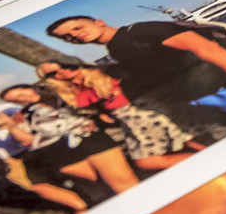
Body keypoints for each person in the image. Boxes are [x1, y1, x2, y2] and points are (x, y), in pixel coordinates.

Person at [45, 15, 226, 123]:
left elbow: (206, 48)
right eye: (67, 37)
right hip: (211, 93)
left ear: (99, 22)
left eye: (77, 28)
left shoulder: (141, 31)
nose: (74, 36)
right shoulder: (116, 49)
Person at [38, 61, 202, 171]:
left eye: (63, 65)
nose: (62, 70)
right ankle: (204, 161)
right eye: (53, 72)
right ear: (50, 79)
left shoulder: (99, 76)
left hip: (139, 117)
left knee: (146, 160)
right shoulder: (73, 92)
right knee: (181, 143)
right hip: (129, 122)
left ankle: (203, 162)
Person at [0, 84, 139, 209]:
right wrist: (11, 126)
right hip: (63, 151)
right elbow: (28, 140)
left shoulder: (64, 93)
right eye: (15, 100)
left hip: (91, 138)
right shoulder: (26, 114)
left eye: (20, 94)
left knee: (123, 181)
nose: (21, 99)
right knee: (97, 191)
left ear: (28, 87)